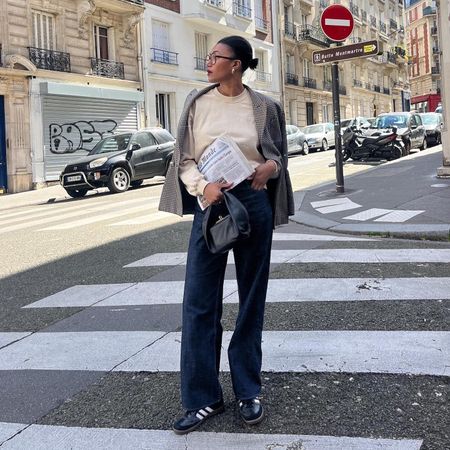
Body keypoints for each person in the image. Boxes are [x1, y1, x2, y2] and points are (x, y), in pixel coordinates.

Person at [159, 35, 294, 435]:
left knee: (252, 300)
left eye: (216, 57)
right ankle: (202, 398)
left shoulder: (265, 107)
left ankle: (248, 390)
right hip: (212, 202)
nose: (208, 61)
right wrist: (203, 187)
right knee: (199, 303)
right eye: (209, 56)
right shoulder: (196, 103)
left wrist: (270, 168)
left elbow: (278, 155)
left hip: (252, 201)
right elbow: (182, 158)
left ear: (236, 64)